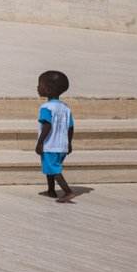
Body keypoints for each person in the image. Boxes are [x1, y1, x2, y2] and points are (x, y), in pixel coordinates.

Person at [37, 69, 77, 202]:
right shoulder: (65, 108)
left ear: (48, 90)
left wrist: (40, 142)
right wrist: (69, 143)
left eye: (40, 85)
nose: (37, 88)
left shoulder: (46, 107)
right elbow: (70, 127)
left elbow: (47, 126)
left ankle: (68, 192)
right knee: (50, 167)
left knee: (54, 169)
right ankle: (51, 190)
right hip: (62, 145)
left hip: (50, 145)